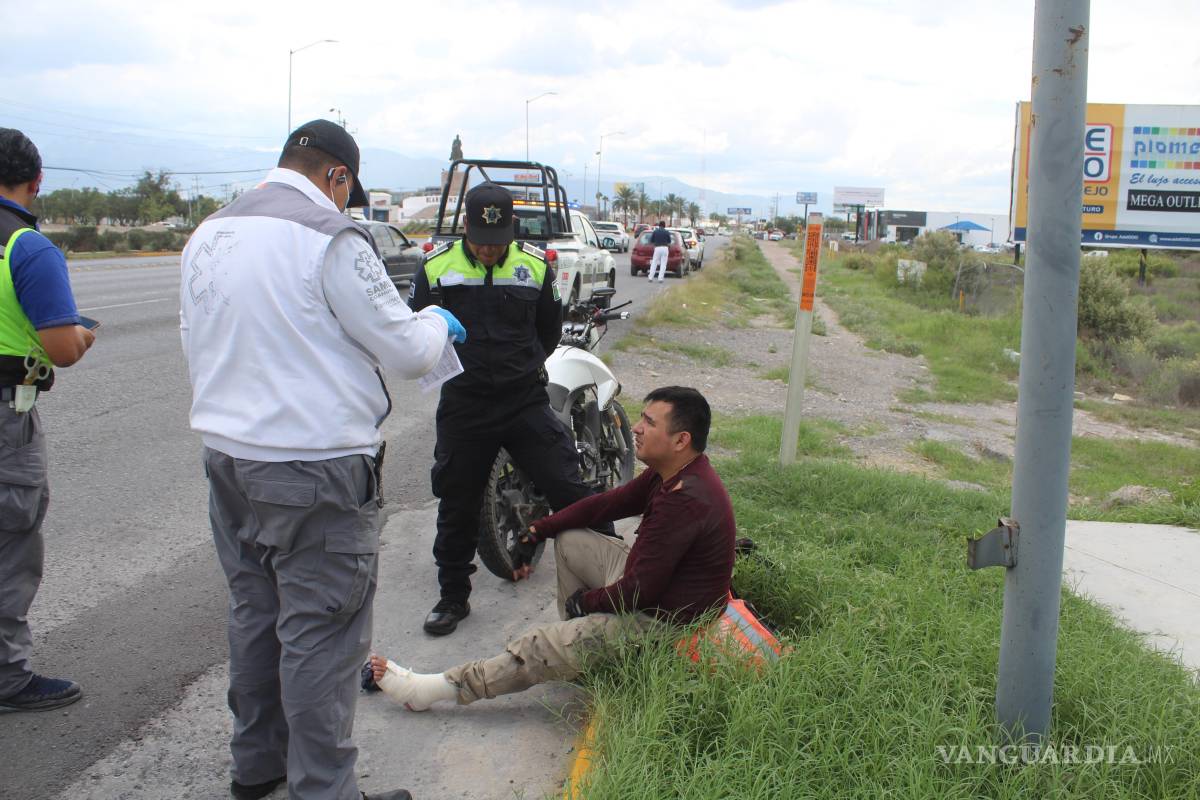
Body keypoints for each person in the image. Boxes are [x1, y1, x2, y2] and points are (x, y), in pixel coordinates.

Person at [181, 119, 460, 800]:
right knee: (322, 633)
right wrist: (438, 323)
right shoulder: (329, 236)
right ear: (336, 176)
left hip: (230, 460)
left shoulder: (210, 232)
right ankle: (324, 790)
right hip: (314, 469)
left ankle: (258, 766)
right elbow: (406, 349)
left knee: (255, 615)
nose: (346, 203)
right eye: (346, 191)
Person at [366, 387, 735, 708]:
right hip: (653, 591)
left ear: (681, 439)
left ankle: (433, 689)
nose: (636, 428)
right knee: (572, 539)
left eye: (649, 423)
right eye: (640, 418)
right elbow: (604, 505)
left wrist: (585, 603)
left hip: (665, 624)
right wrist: (538, 530)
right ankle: (583, 651)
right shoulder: (673, 472)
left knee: (537, 645)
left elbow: (638, 591)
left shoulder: (685, 500)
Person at [408, 182, 611, 637]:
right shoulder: (437, 267)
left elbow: (548, 330)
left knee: (568, 483)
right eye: (479, 239)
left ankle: (616, 576)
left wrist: (518, 368)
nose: (486, 249)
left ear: (512, 231)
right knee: (457, 499)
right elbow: (417, 332)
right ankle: (453, 595)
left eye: (496, 242)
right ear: (466, 226)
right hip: (465, 404)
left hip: (523, 399)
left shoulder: (533, 266)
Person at [0, 129, 95, 713]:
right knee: (10, 548)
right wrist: (81, 331)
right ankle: (7, 678)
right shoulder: (27, 249)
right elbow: (61, 348)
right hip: (8, 419)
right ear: (36, 184)